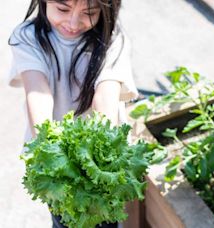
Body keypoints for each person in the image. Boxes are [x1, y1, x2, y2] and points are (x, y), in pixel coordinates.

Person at [7, 0, 138, 227]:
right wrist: (49, 147)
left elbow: (105, 97)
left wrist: (100, 158)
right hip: (58, 161)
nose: (73, 22)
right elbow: (38, 93)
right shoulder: (26, 37)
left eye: (89, 13)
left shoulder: (113, 39)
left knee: (106, 220)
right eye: (63, 9)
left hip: (101, 160)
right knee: (65, 220)